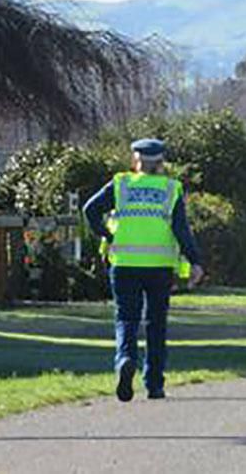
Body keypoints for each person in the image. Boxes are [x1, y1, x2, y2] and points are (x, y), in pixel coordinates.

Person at [83, 138, 203, 402]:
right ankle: (154, 384)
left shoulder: (121, 184)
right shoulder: (171, 189)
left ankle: (125, 359)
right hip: (159, 267)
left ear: (135, 162)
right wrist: (195, 261)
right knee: (156, 324)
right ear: (161, 163)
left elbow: (89, 210)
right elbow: (181, 230)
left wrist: (107, 234)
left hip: (124, 264)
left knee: (126, 318)